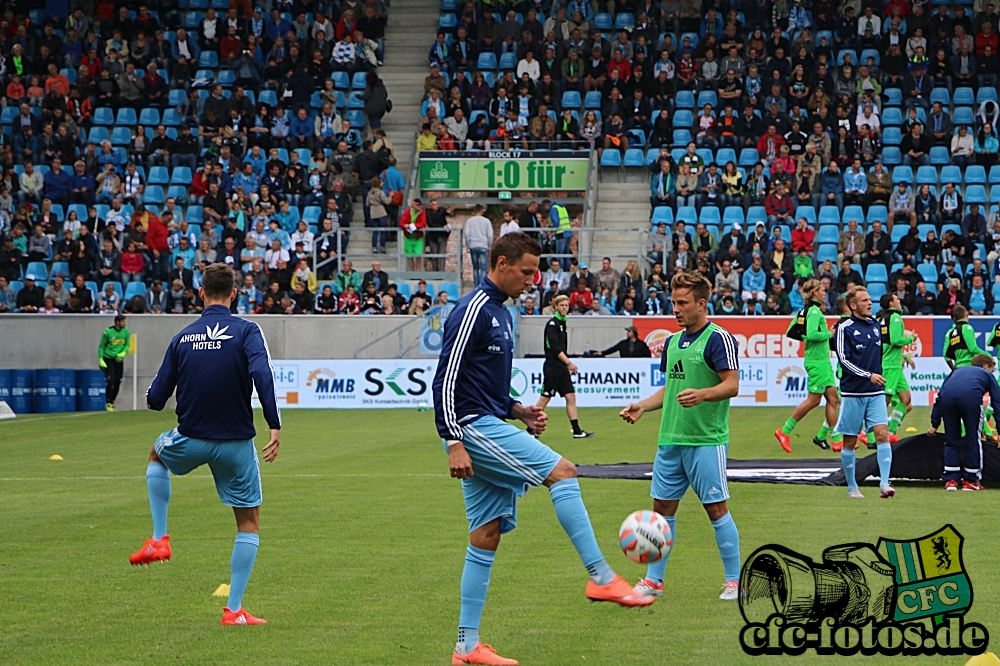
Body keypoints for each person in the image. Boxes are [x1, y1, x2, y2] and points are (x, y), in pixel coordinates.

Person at [432, 233, 651, 666]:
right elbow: (445, 381)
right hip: (472, 429)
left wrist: (520, 410)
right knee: (563, 471)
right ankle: (601, 576)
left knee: (486, 535)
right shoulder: (473, 309)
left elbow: (485, 385)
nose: (534, 279)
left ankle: (466, 647)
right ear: (500, 263)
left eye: (536, 271)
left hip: (487, 419)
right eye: (527, 271)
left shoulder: (501, 313)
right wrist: (454, 440)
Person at [130, 264, 281, 628]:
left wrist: (158, 388)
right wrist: (274, 424)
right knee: (248, 522)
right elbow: (262, 374)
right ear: (234, 294)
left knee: (156, 453)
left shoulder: (183, 338)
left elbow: (155, 398)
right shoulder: (247, 330)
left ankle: (159, 538)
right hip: (235, 444)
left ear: (200, 293)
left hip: (191, 438)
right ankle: (233, 610)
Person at [619, 272, 741, 602]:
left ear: (702, 303)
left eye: (683, 303)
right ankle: (654, 580)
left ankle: (735, 581)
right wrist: (642, 406)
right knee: (661, 511)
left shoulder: (718, 339)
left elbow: (732, 385)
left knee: (716, 509)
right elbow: (670, 389)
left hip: (705, 439)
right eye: (674, 302)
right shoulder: (672, 343)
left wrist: (703, 394)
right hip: (670, 439)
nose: (676, 309)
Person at [834, 286, 895, 500]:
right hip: (853, 394)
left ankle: (885, 483)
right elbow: (844, 360)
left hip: (875, 393)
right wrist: (868, 374)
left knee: (882, 435)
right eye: (865, 300)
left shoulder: (876, 325)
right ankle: (852, 487)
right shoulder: (844, 328)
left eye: (870, 300)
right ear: (853, 305)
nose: (870, 303)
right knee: (849, 442)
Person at [775, 280, 842, 452]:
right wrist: (829, 333)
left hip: (822, 361)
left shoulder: (804, 311)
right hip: (817, 362)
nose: (824, 292)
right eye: (821, 290)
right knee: (814, 400)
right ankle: (784, 430)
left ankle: (835, 438)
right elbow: (812, 334)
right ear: (813, 293)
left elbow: (791, 331)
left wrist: (806, 337)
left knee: (833, 398)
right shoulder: (814, 311)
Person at [928, 354, 1000, 491]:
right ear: (986, 366)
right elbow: (997, 402)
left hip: (948, 400)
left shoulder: (956, 371)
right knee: (973, 438)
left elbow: (940, 397)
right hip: (971, 400)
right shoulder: (986, 374)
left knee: (951, 439)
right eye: (992, 369)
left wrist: (934, 424)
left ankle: (951, 480)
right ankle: (971, 480)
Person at [530, 295, 594, 438]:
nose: (565, 308)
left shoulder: (562, 323)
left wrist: (565, 364)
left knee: (570, 396)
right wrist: (569, 363)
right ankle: (530, 429)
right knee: (545, 398)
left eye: (566, 305)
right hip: (553, 366)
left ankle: (577, 430)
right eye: (562, 305)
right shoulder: (552, 324)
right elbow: (555, 349)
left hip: (561, 367)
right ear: (556, 307)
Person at [879, 293, 916, 445]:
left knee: (906, 399)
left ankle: (890, 432)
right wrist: (911, 338)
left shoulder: (884, 318)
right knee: (884, 401)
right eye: (896, 299)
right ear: (891, 304)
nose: (899, 300)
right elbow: (895, 340)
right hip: (890, 365)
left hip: (893, 364)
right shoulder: (894, 317)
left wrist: (905, 356)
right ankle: (871, 432)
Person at [942, 304, 990, 370]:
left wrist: (954, 369)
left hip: (958, 368)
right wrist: (988, 355)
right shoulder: (967, 328)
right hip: (970, 367)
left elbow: (946, 355)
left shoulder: (949, 332)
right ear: (966, 314)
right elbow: (973, 349)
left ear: (954, 318)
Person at [98, 314, 130, 411]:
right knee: (111, 381)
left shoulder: (126, 331)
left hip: (118, 359)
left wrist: (123, 353)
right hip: (109, 358)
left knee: (118, 381)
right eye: (123, 322)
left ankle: (112, 401)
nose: (125, 323)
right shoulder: (108, 332)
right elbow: (101, 346)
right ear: (117, 322)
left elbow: (127, 344)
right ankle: (108, 401)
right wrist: (100, 359)